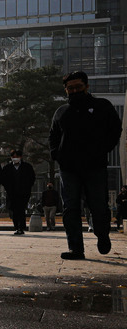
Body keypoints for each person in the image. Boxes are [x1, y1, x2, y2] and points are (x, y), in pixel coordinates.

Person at [49, 71, 122, 259]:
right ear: (65, 90)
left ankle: (102, 234)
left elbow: (115, 129)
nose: (74, 91)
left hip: (95, 166)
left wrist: (103, 149)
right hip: (69, 168)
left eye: (78, 87)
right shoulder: (61, 112)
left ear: (87, 87)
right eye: (70, 88)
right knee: (70, 207)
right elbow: (53, 136)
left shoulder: (102, 106)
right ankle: (76, 248)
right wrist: (57, 155)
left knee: (98, 205)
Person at [1, 149, 35, 235]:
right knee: (13, 210)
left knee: (21, 210)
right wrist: (8, 189)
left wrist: (27, 188)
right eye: (13, 157)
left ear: (21, 157)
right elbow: (4, 180)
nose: (15, 158)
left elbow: (32, 178)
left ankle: (21, 227)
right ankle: (16, 226)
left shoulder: (27, 167)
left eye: (17, 157)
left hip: (23, 193)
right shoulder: (7, 168)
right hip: (11, 193)